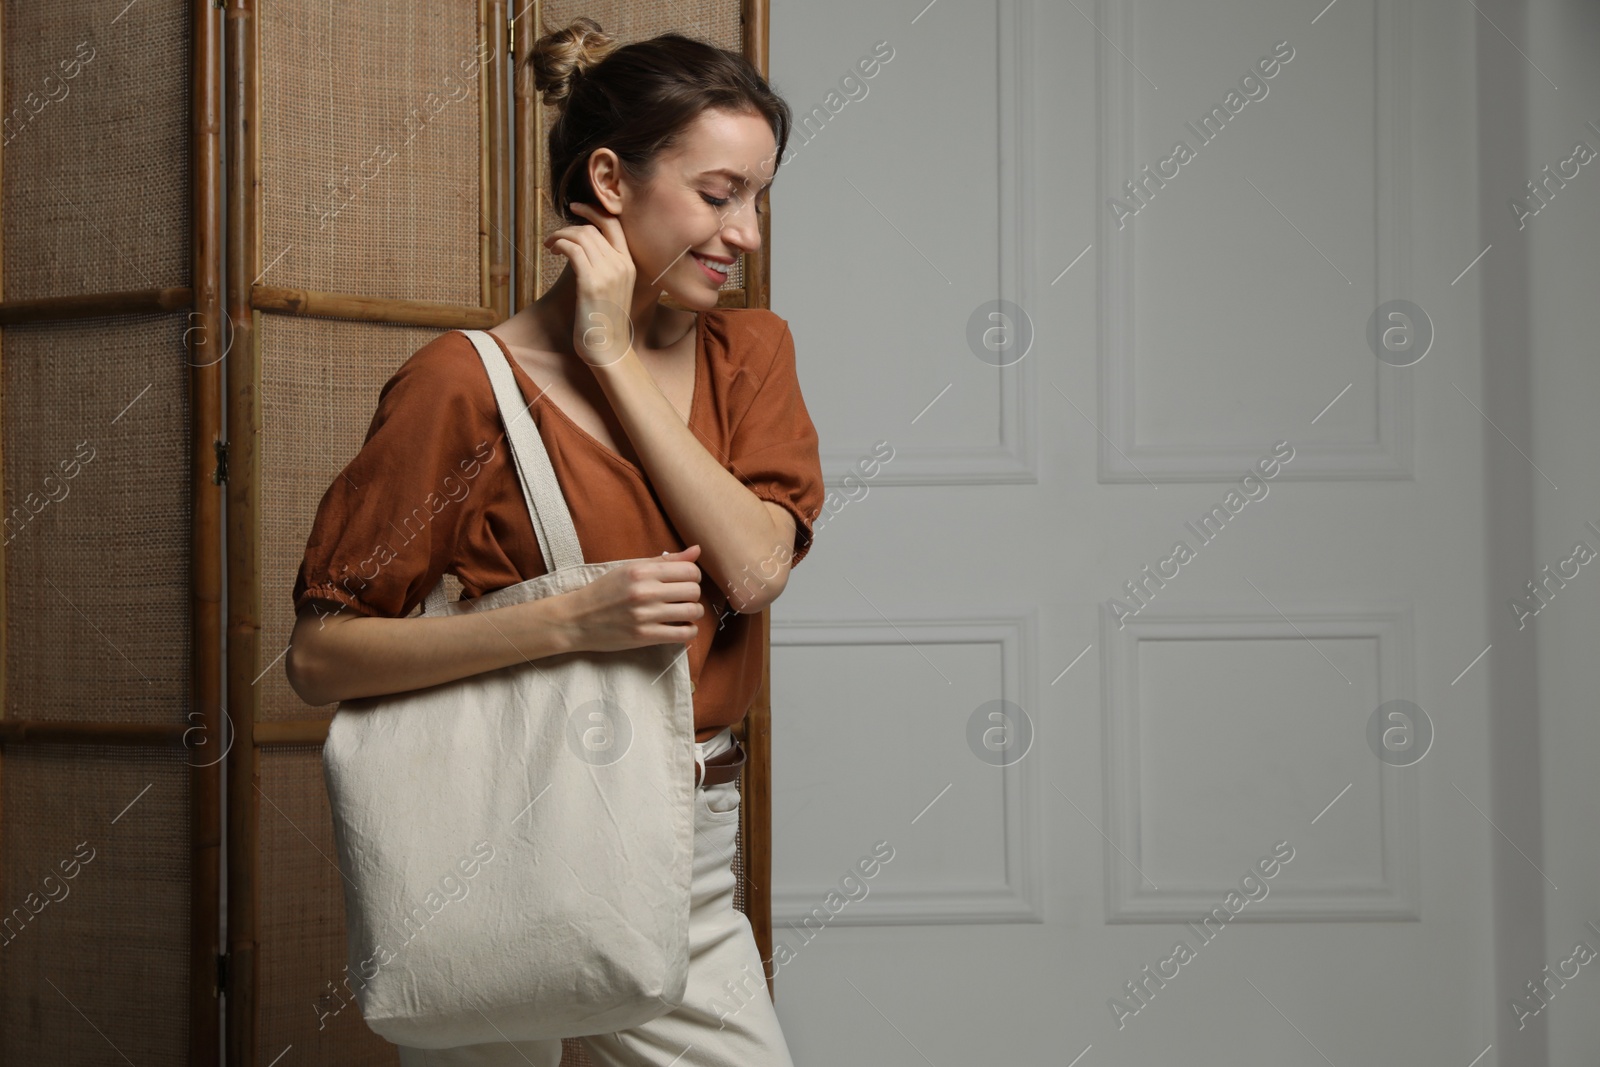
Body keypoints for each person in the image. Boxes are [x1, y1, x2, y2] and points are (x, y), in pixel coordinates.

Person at [285, 17, 822, 1067]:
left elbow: (753, 572)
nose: (747, 232)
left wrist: (613, 353)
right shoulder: (461, 384)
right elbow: (319, 657)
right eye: (718, 194)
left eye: (758, 196)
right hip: (493, 834)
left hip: (684, 846)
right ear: (610, 181)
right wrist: (571, 617)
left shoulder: (750, 354)